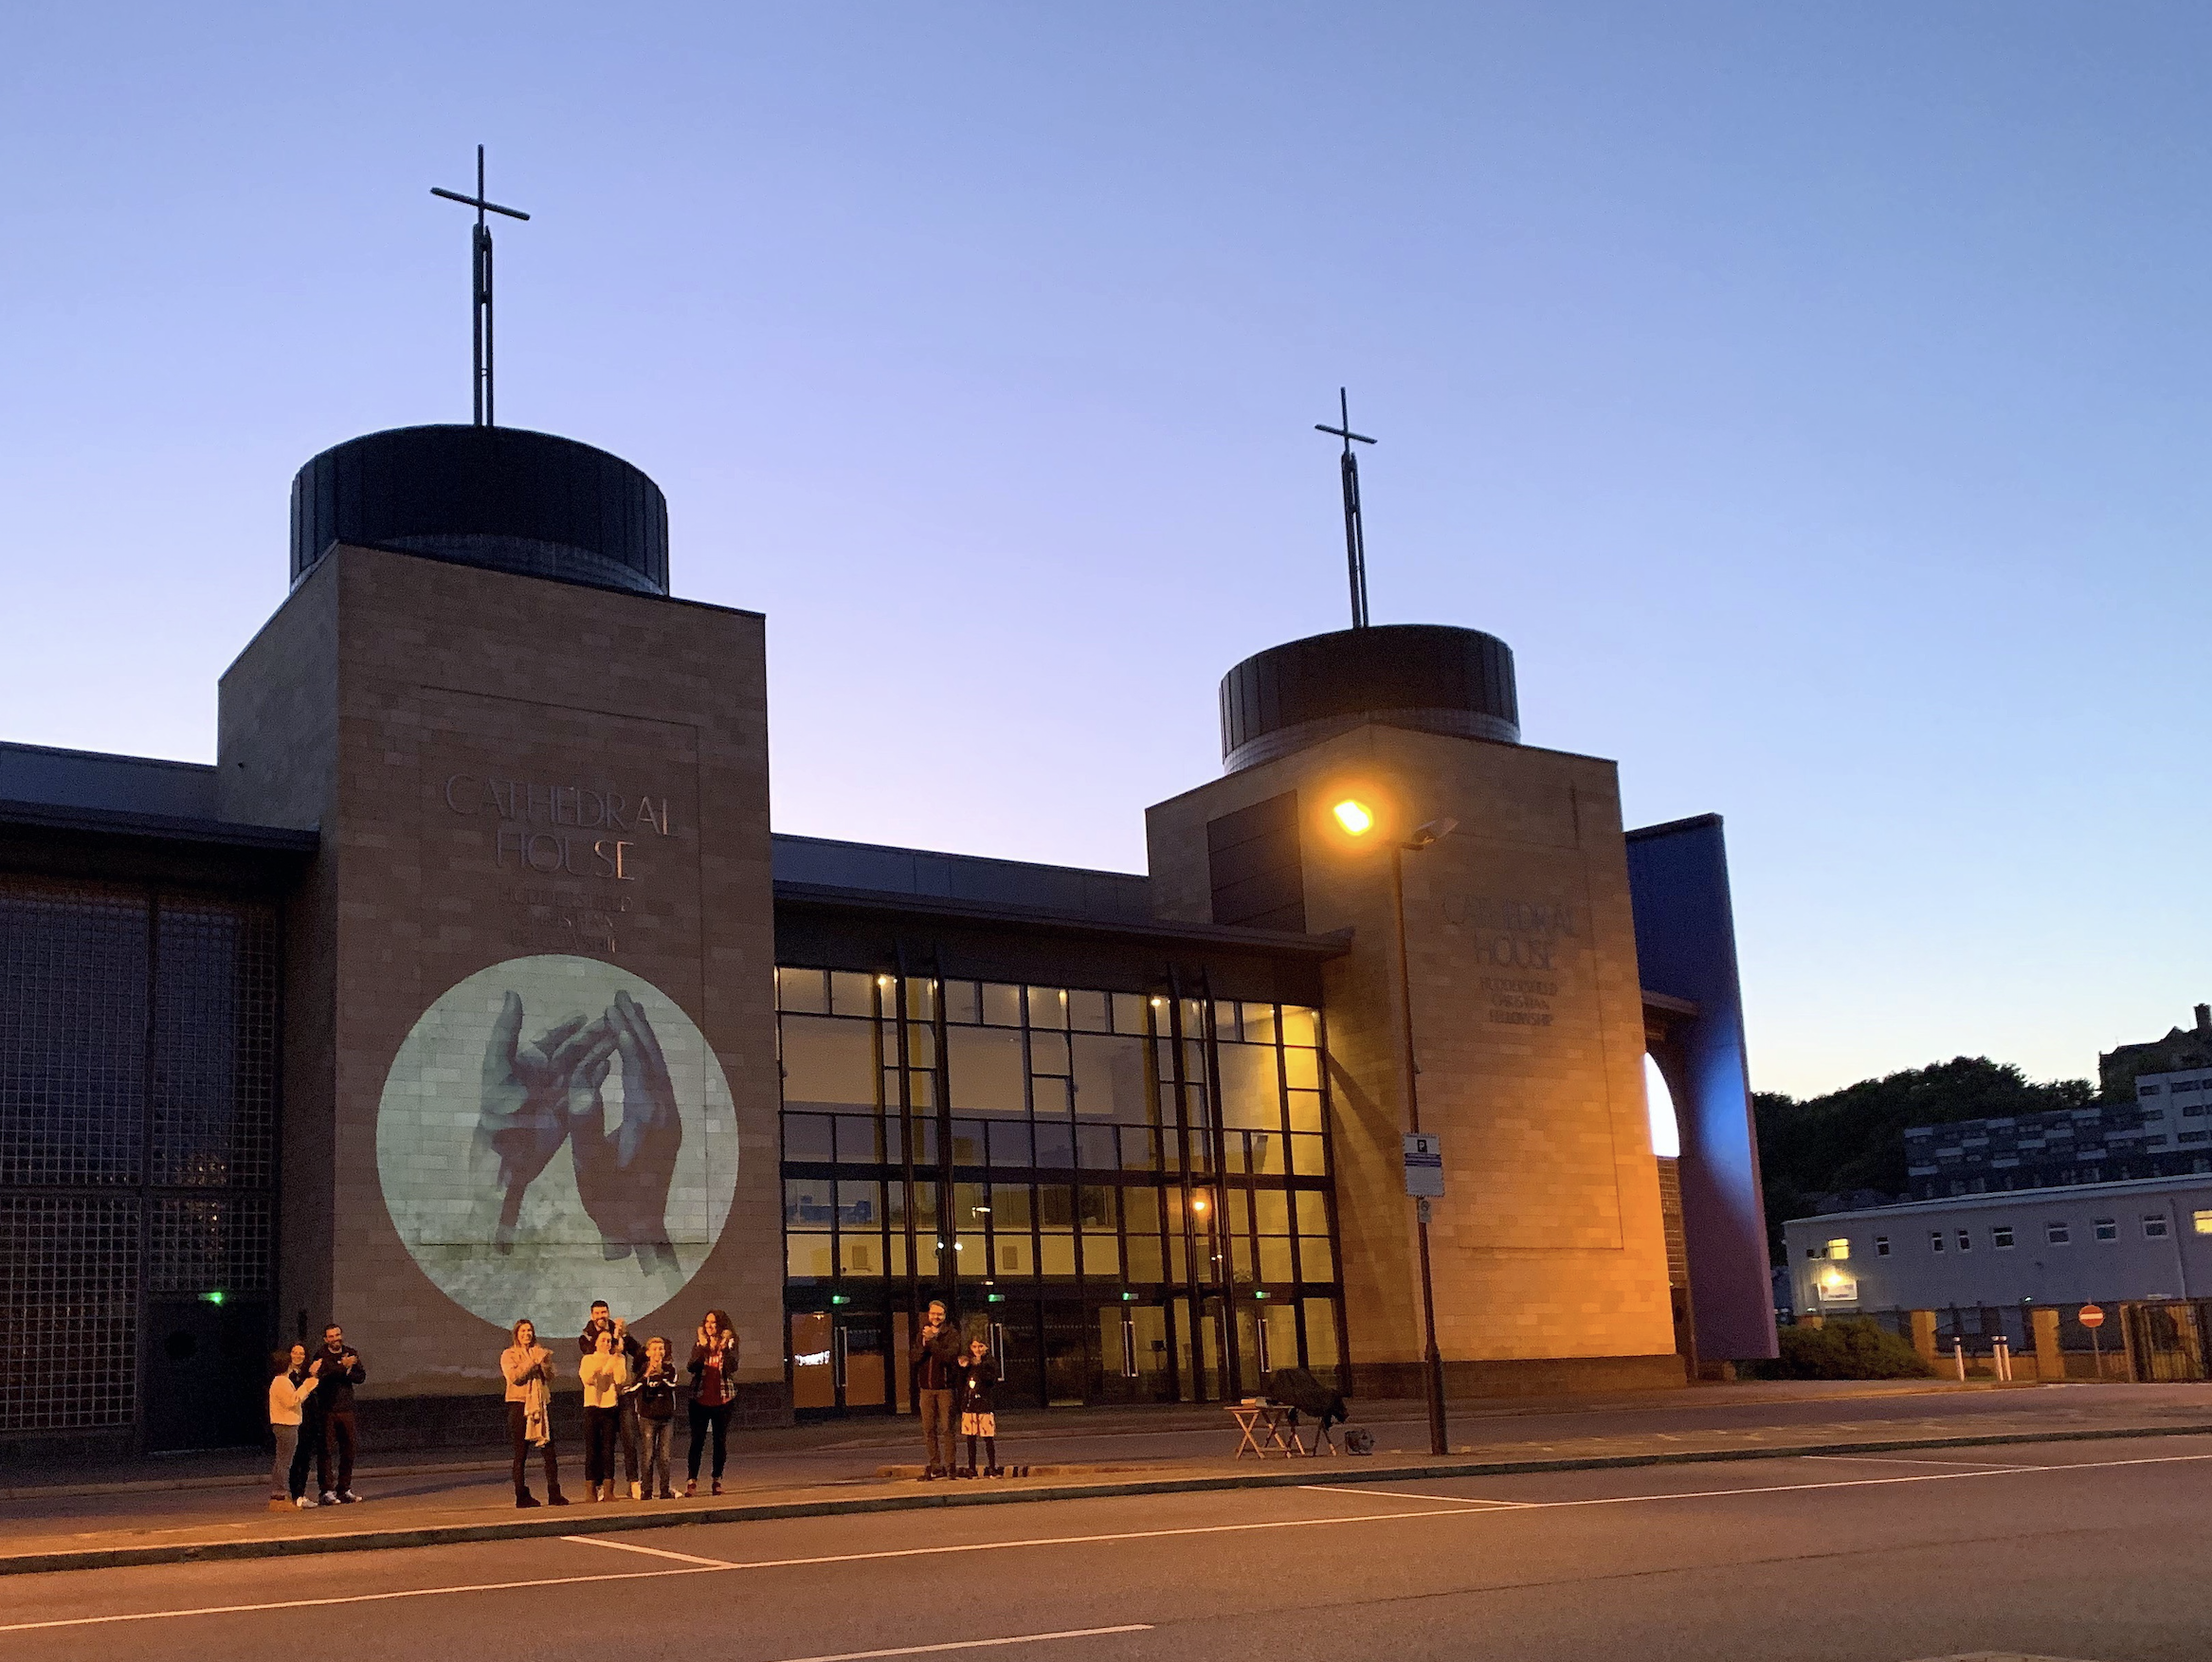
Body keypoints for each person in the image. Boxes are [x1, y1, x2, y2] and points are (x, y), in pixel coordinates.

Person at [578, 1299, 646, 1499]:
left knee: (628, 1438)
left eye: (604, 1312)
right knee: (598, 1445)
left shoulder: (619, 1333)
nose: (601, 1316)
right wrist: (615, 1342)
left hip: (622, 1396)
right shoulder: (586, 1336)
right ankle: (598, 1486)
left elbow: (639, 1353)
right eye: (597, 1313)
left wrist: (624, 1336)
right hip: (598, 1399)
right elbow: (592, 1355)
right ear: (592, 1316)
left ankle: (633, 1482)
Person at [500, 1318, 569, 1508]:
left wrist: (544, 1363)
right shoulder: (509, 1354)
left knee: (549, 1451)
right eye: (523, 1331)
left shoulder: (540, 1352)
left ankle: (554, 1493)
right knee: (521, 1453)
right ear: (516, 1334)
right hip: (519, 1405)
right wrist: (532, 1362)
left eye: (529, 1330)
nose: (527, 1334)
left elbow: (551, 1376)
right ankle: (521, 1495)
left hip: (541, 1404)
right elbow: (514, 1377)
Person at [307, 1323, 365, 1505]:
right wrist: (343, 1366)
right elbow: (325, 1376)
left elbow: (360, 1377)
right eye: (331, 1336)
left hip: (346, 1408)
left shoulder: (350, 1352)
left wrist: (346, 1370)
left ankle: (344, 1489)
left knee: (349, 1449)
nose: (335, 1339)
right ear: (326, 1339)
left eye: (337, 1335)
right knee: (326, 1450)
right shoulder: (321, 1355)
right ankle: (326, 1491)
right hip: (327, 1410)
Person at [685, 1309, 738, 1496]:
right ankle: (692, 1481)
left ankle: (717, 1480)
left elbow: (733, 1367)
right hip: (700, 1398)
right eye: (707, 1322)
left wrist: (725, 1348)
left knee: (719, 1441)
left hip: (723, 1398)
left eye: (713, 1322)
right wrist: (701, 1347)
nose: (709, 1326)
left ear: (721, 1325)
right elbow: (691, 1367)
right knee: (697, 1441)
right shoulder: (700, 1343)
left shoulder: (730, 1343)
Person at [912, 1300, 964, 1480]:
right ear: (928, 1314)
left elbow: (948, 1357)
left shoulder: (951, 1334)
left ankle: (951, 1466)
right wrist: (925, 1342)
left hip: (945, 1389)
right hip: (926, 1389)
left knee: (947, 1428)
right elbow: (914, 1358)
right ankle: (935, 1465)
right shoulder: (921, 1333)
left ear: (944, 1316)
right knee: (928, 1429)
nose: (936, 1317)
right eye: (933, 1313)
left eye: (939, 1314)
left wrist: (933, 1342)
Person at [579, 1329, 629, 1502]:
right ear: (595, 1342)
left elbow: (621, 1379)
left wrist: (615, 1361)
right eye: (603, 1340)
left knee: (608, 1449)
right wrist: (602, 1368)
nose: (606, 1343)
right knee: (592, 1449)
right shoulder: (588, 1359)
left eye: (609, 1341)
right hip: (592, 1406)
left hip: (609, 1406)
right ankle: (591, 1490)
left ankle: (608, 1490)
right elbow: (587, 1379)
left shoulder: (618, 1359)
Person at [267, 1345, 319, 1509]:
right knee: (284, 1462)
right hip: (286, 1425)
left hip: (287, 1424)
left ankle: (280, 1494)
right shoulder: (281, 1381)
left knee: (283, 1461)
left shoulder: (282, 1381)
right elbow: (293, 1400)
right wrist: (307, 1386)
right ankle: (279, 1495)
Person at [628, 1335, 680, 1500]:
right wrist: (647, 1376)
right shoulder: (643, 1369)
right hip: (647, 1417)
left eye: (661, 1349)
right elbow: (633, 1389)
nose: (658, 1352)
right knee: (648, 1454)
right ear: (648, 1352)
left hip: (666, 1417)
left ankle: (665, 1489)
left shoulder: (670, 1369)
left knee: (665, 1455)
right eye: (655, 1349)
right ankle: (647, 1490)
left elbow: (672, 1385)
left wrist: (661, 1375)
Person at [955, 1334, 1001, 1479]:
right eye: (974, 1346)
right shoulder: (968, 1363)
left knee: (988, 1438)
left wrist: (980, 1365)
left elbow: (991, 1380)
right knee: (970, 1439)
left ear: (986, 1347)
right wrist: (962, 1368)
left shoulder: (989, 1362)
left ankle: (992, 1466)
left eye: (981, 1346)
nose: (977, 1350)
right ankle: (972, 1468)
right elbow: (960, 1382)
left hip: (984, 1404)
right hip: (970, 1404)